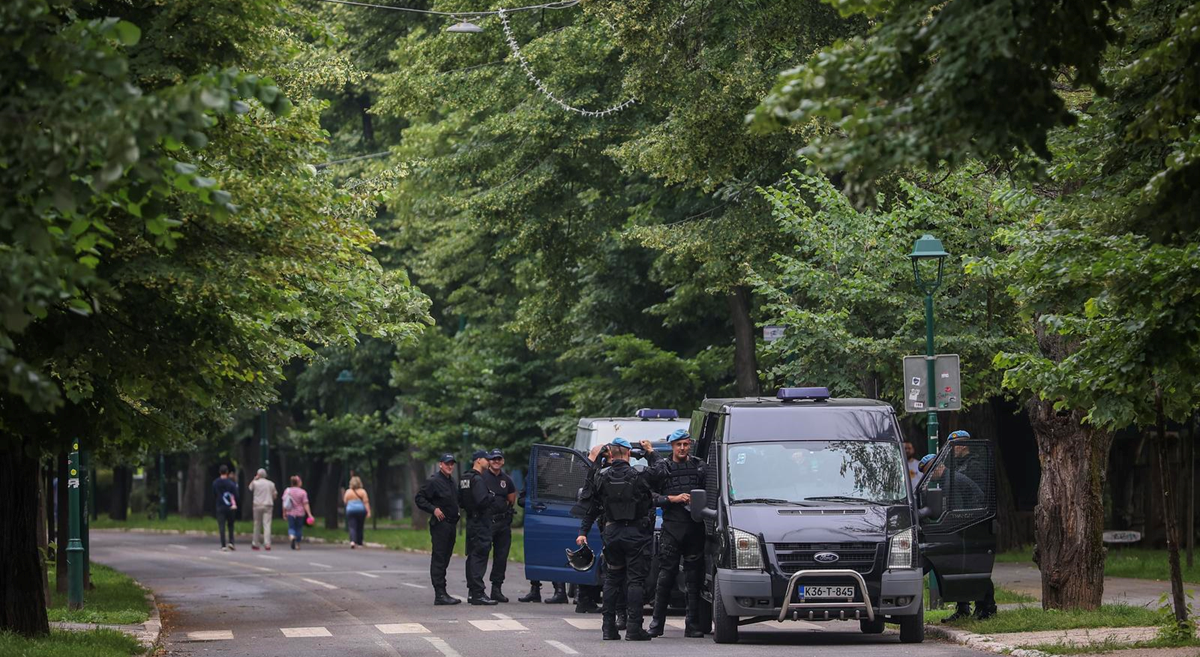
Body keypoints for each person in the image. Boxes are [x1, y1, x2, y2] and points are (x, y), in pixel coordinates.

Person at [577, 437, 656, 641]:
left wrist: (583, 531)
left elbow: (590, 503)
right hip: (636, 534)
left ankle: (608, 629)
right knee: (635, 581)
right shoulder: (639, 475)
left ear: (609, 454)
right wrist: (649, 452)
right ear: (629, 453)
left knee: (612, 579)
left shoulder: (600, 476)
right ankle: (633, 629)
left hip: (612, 533)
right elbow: (663, 471)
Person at [645, 429, 706, 638]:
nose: (682, 448)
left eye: (686, 444)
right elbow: (648, 496)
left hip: (695, 528)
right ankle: (656, 624)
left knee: (693, 579)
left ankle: (693, 625)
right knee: (665, 577)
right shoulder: (663, 468)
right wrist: (672, 499)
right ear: (672, 446)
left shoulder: (699, 466)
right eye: (679, 445)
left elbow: (713, 492)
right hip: (672, 527)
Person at [941, 430, 997, 622]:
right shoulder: (959, 467)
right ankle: (963, 606)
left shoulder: (974, 467)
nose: (951, 452)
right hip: (961, 522)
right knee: (961, 567)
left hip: (974, 523)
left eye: (953, 448)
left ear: (962, 446)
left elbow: (980, 496)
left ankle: (986, 607)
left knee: (976, 567)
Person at [415, 453, 462, 606]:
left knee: (446, 558)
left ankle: (443, 592)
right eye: (447, 463)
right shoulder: (434, 481)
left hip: (451, 524)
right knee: (439, 559)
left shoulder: (451, 481)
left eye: (452, 464)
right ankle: (440, 593)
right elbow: (420, 498)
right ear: (440, 464)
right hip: (440, 526)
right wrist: (433, 509)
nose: (450, 466)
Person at [462, 449, 499, 605]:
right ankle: (478, 593)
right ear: (478, 460)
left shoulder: (465, 478)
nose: (489, 461)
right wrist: (491, 496)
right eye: (486, 459)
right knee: (479, 556)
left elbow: (461, 500)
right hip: (480, 523)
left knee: (472, 556)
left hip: (471, 521)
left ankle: (472, 591)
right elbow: (482, 501)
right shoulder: (477, 479)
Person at [482, 449, 517, 602]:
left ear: (502, 461)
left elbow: (511, 499)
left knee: (501, 556)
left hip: (503, 522)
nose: (496, 461)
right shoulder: (482, 477)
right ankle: (477, 589)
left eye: (499, 459)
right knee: (482, 554)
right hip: (487, 522)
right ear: (489, 461)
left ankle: (496, 588)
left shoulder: (507, 479)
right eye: (493, 459)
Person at [248, 468, 278, 551]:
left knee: (257, 524)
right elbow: (275, 495)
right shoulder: (271, 484)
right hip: (268, 505)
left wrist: (254, 478)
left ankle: (255, 543)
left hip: (257, 505)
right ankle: (267, 544)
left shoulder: (255, 483)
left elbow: (250, 488)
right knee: (267, 524)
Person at [282, 475, 313, 550]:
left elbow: (285, 502)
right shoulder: (303, 492)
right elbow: (305, 503)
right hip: (300, 513)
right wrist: (309, 514)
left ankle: (292, 536)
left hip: (290, 513)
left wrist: (284, 512)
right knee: (299, 528)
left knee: (291, 527)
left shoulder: (287, 491)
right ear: (298, 482)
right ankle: (298, 544)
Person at [212, 465, 239, 551]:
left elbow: (214, 494)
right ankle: (231, 542)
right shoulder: (231, 483)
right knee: (230, 525)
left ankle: (223, 544)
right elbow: (236, 494)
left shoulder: (215, 483)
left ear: (220, 472)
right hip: (230, 506)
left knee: (221, 526)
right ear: (227, 472)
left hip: (220, 505)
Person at [343, 476, 371, 548]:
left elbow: (345, 501)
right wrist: (368, 512)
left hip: (351, 511)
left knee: (352, 527)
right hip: (361, 511)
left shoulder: (348, 492)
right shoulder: (363, 491)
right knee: (360, 526)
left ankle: (352, 541)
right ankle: (359, 542)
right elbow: (366, 502)